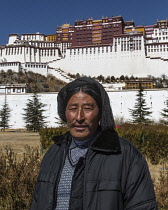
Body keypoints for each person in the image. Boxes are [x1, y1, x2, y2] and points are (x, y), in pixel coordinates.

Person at [31, 77, 158, 210]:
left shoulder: (125, 155)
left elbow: (142, 206)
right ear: (65, 113)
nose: (79, 117)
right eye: (73, 109)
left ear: (100, 112)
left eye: (87, 108)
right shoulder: (54, 153)